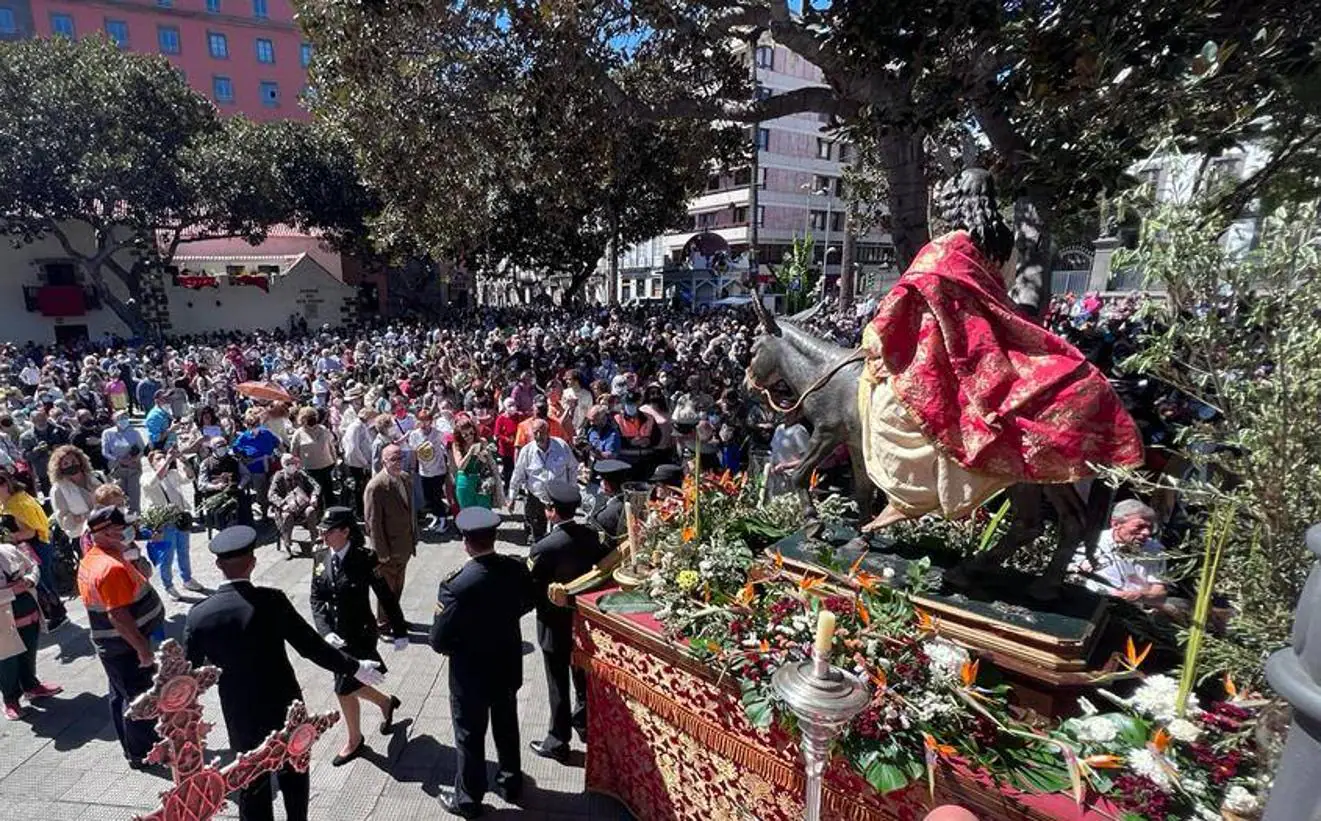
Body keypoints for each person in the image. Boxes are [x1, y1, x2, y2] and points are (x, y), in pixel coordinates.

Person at [184, 526, 385, 821]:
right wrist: (354, 667)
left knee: (252, 781)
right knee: (294, 772)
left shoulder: (199, 615)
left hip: (240, 713)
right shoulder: (272, 601)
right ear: (252, 562)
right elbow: (311, 646)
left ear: (217, 566)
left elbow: (191, 678)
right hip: (285, 705)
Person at [429, 507, 535, 818]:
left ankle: (468, 798)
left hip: (470, 674)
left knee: (469, 735)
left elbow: (438, 639)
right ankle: (510, 781)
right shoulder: (514, 569)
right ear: (494, 537)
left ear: (466, 542)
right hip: (506, 664)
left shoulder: (456, 584)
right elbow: (528, 602)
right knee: (507, 725)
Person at [308, 508, 407, 766]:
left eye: (328, 531)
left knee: (343, 688)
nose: (323, 535)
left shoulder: (364, 558)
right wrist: (325, 631)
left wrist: (399, 631)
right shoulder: (320, 556)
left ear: (345, 532)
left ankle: (354, 741)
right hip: (336, 636)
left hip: (361, 634)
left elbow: (385, 595)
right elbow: (316, 597)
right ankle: (386, 703)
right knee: (349, 685)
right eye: (322, 530)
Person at [527, 482, 610, 762]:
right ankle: (584, 722)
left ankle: (557, 740)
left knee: (557, 682)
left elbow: (534, 589)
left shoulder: (544, 547)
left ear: (551, 511)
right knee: (581, 676)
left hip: (554, 623)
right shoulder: (590, 536)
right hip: (583, 621)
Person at [76, 506, 165, 768]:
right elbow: (118, 616)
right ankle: (143, 752)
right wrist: (143, 650)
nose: (126, 531)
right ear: (103, 532)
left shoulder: (96, 556)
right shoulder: (109, 568)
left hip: (114, 646)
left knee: (120, 695)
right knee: (139, 702)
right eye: (120, 527)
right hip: (125, 646)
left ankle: (134, 746)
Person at [0, 516, 62, 720]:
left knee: (29, 652)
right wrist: (11, 592)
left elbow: (33, 566)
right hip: (4, 624)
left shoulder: (8, 550)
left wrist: (28, 580)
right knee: (7, 662)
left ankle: (31, 686)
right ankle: (10, 699)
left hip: (28, 614)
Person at [0, 471, 65, 629]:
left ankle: (58, 614)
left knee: (43, 581)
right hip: (25, 549)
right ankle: (50, 613)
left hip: (36, 547)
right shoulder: (7, 502)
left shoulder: (19, 503)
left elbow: (31, 531)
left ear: (5, 484)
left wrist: (10, 538)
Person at [363, 444, 416, 632]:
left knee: (398, 587)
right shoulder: (376, 486)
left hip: (405, 546)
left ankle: (395, 618)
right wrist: (380, 553)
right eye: (393, 459)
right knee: (387, 590)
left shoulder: (405, 478)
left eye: (400, 458)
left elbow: (410, 512)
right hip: (388, 550)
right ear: (383, 460)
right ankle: (383, 624)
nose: (398, 462)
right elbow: (372, 523)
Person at [1074, 499, 1168, 604]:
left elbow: (1160, 593)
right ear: (1116, 524)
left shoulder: (1155, 550)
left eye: (1150, 528)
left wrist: (1140, 596)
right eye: (1139, 527)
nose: (1146, 532)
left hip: (1138, 609)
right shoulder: (1090, 544)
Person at [140, 448, 200, 598]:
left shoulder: (172, 474)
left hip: (179, 519)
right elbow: (153, 482)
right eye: (158, 458)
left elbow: (190, 477)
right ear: (151, 463)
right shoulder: (146, 477)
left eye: (163, 457)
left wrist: (182, 459)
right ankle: (168, 585)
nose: (162, 459)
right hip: (164, 522)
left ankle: (187, 579)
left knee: (183, 551)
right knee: (167, 556)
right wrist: (166, 461)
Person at [507, 418, 578, 544]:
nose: (539, 436)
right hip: (536, 499)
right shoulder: (527, 451)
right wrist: (512, 497)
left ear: (548, 431)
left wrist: (571, 490)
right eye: (536, 433)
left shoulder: (561, 446)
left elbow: (573, 468)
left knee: (561, 534)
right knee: (538, 536)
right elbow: (517, 475)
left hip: (559, 499)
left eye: (542, 432)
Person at [267, 454, 322, 557]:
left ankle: (314, 539)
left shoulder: (301, 474)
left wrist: (314, 496)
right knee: (287, 517)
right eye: (288, 463)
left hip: (302, 505)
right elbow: (271, 494)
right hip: (286, 507)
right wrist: (283, 504)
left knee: (311, 511)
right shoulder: (279, 476)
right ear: (283, 465)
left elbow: (315, 485)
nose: (292, 465)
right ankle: (287, 543)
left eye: (293, 463)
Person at [409, 410, 454, 532]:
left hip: (438, 470)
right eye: (422, 421)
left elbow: (448, 443)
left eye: (427, 421)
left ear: (431, 421)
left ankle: (443, 520)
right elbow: (413, 452)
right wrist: (413, 469)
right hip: (424, 470)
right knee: (428, 497)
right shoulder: (414, 435)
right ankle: (436, 517)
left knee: (436, 496)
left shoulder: (438, 434)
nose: (424, 424)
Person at [48, 444, 102, 543]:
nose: (71, 465)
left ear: (80, 461)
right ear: (59, 468)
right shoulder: (58, 490)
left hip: (107, 527)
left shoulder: (97, 477)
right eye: (66, 464)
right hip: (84, 535)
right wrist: (89, 516)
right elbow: (64, 521)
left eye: (73, 461)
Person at [289, 407, 337, 510]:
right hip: (310, 469)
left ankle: (331, 515)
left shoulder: (323, 430)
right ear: (303, 419)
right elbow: (294, 453)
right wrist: (296, 468)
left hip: (327, 466)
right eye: (309, 418)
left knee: (328, 492)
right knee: (315, 494)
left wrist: (335, 461)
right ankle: (316, 516)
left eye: (314, 417)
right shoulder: (298, 434)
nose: (312, 420)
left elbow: (331, 446)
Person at [449, 415, 498, 509]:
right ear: (459, 435)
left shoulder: (482, 441)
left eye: (471, 433)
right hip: (465, 481)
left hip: (482, 481)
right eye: (465, 435)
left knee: (484, 510)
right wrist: (470, 452)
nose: (469, 436)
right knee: (468, 512)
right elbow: (460, 467)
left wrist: (484, 459)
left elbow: (490, 463)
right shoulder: (457, 445)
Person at [587, 459, 629, 547]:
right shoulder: (631, 499)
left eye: (602, 480)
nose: (601, 483)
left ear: (607, 484)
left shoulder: (603, 517)